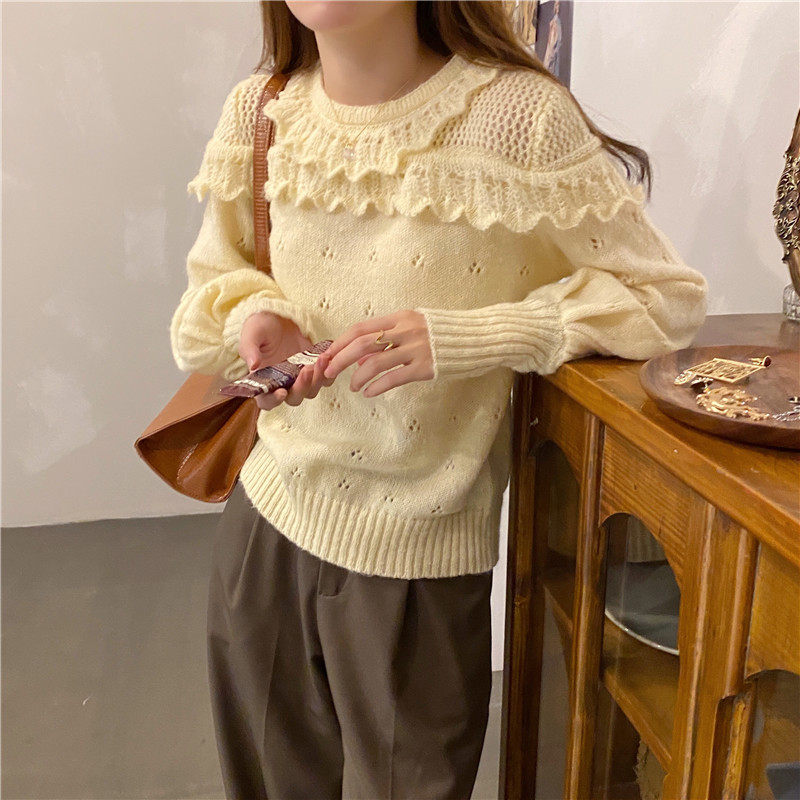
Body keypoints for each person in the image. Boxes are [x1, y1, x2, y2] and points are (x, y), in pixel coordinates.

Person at [169, 2, 709, 797]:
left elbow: (666, 301)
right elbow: (210, 290)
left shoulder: (519, 118)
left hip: (416, 560)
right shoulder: (261, 108)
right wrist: (256, 314)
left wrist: (475, 335)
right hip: (265, 528)